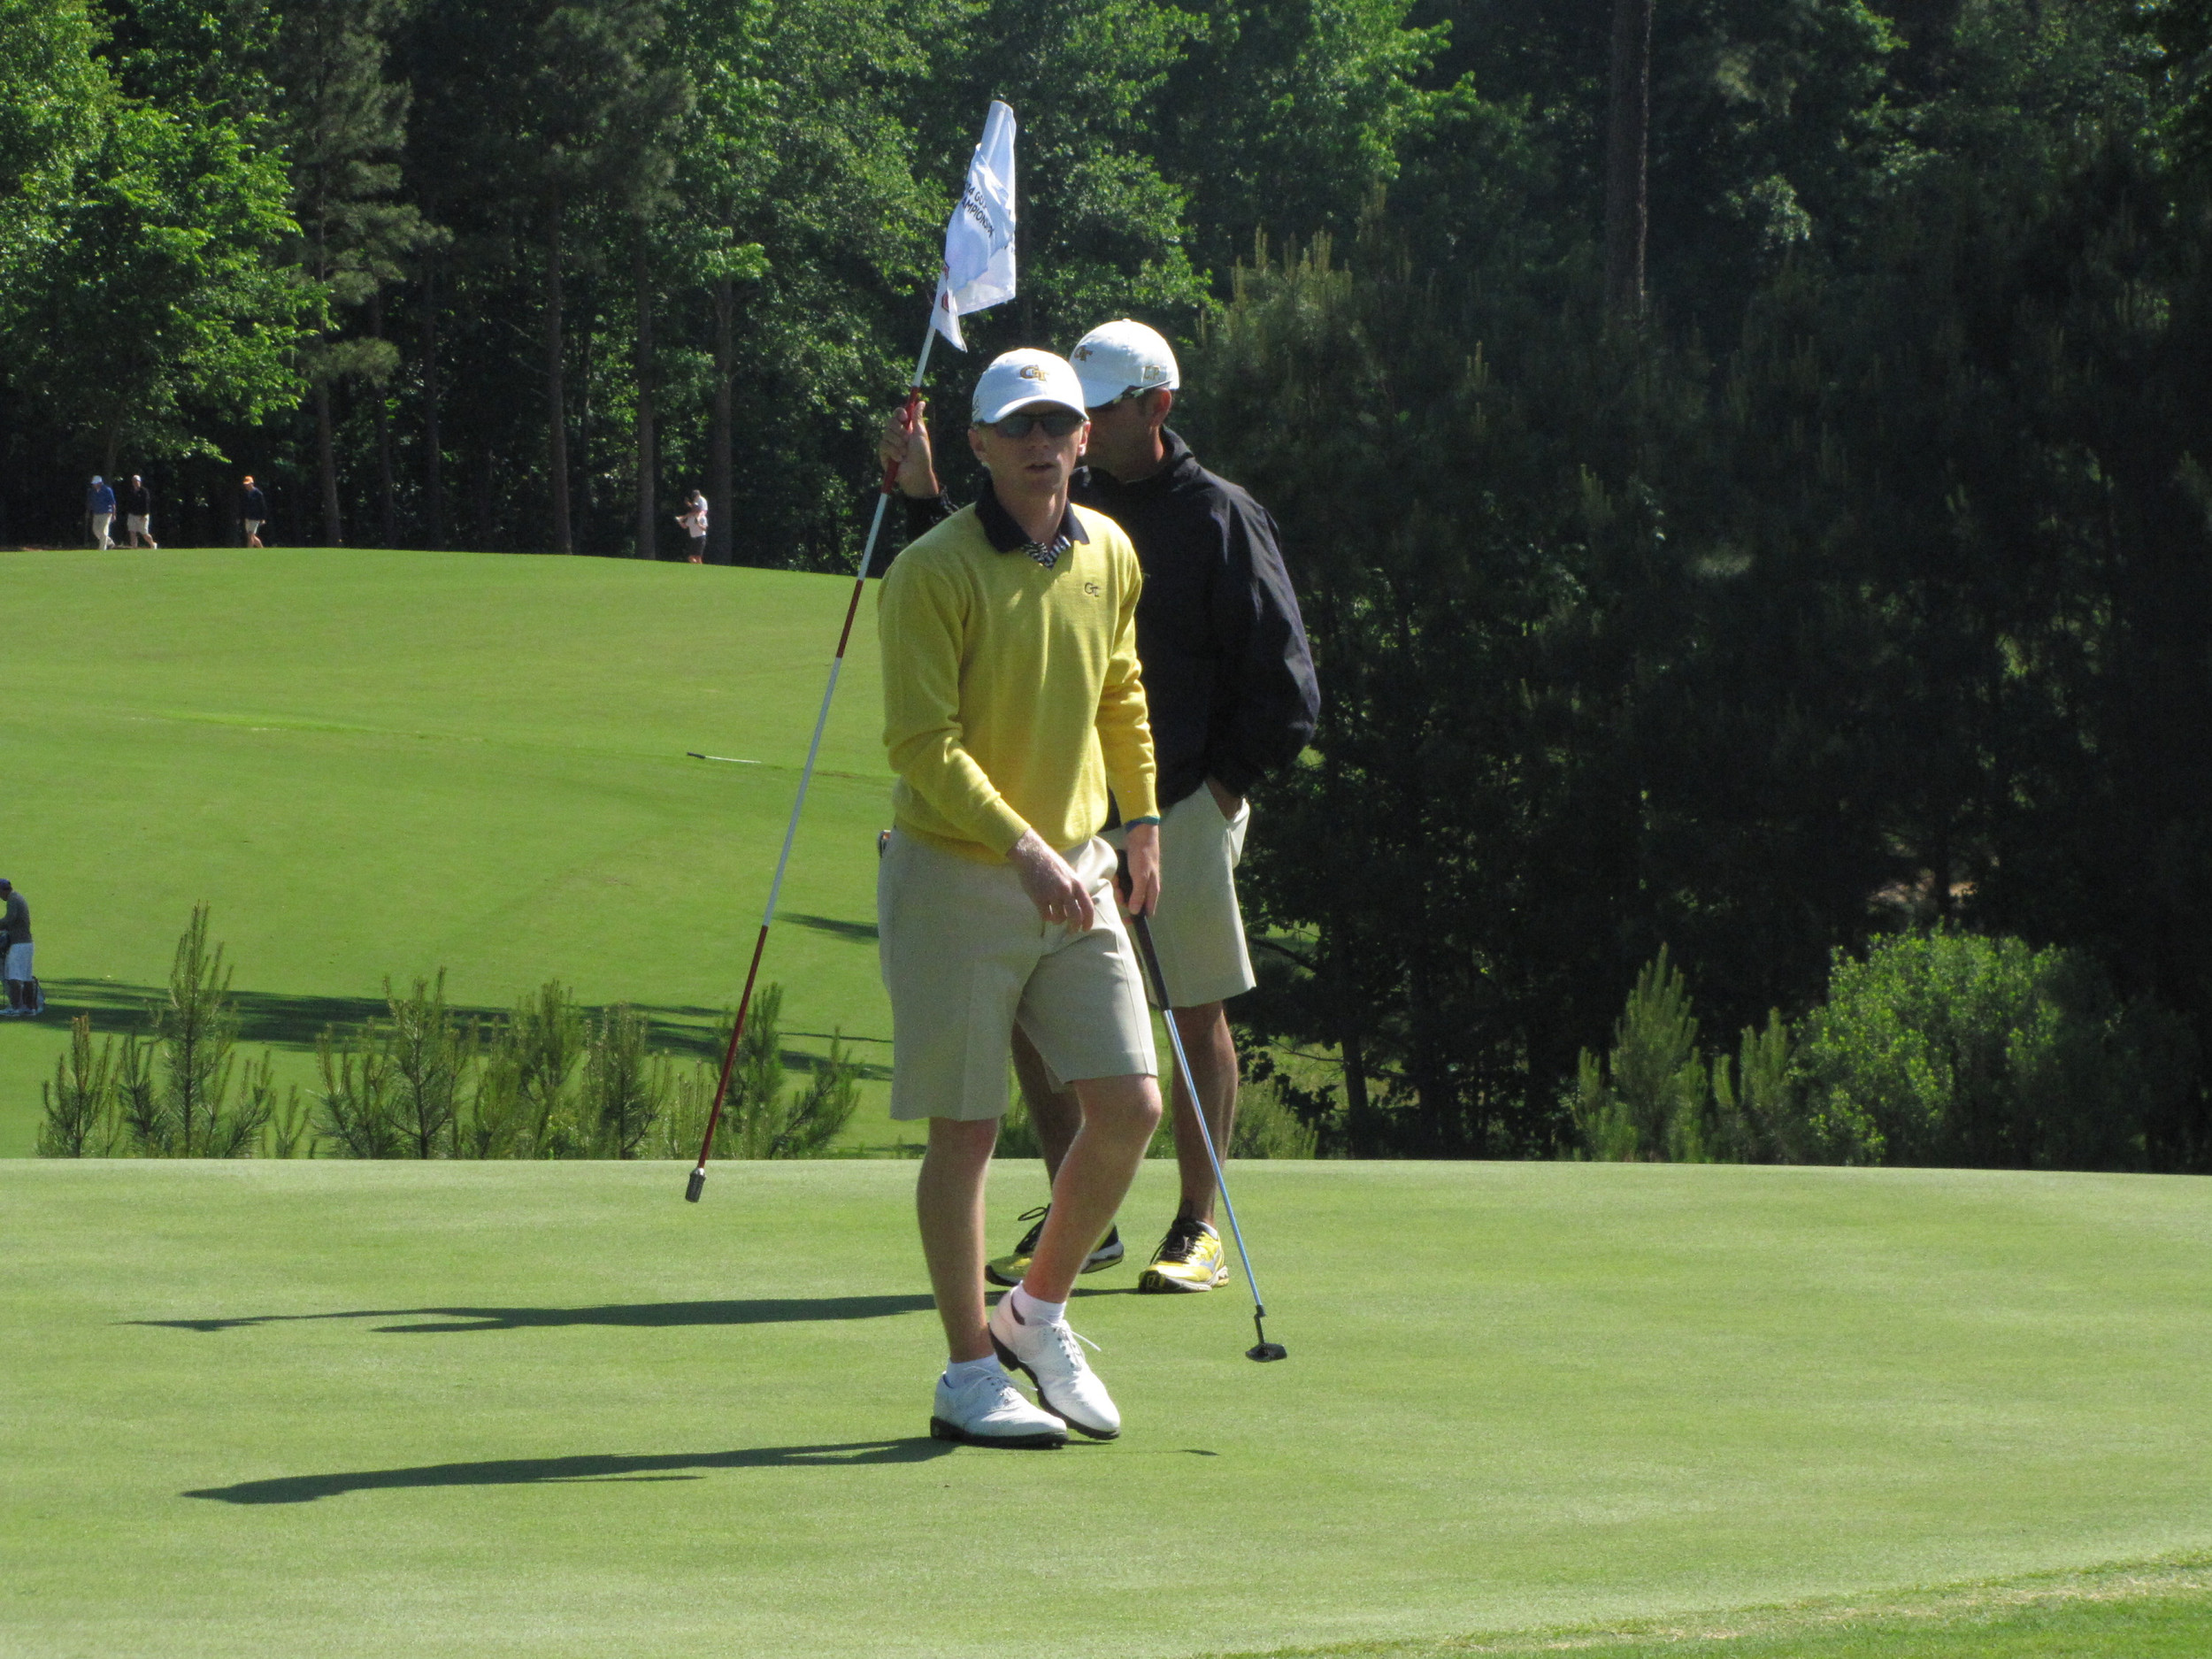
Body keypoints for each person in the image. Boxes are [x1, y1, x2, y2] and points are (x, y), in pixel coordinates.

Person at [880, 319, 1319, 1297]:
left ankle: (1197, 1224)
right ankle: (1086, 1216)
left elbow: (1283, 685)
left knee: (1188, 1009)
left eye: (1086, 414)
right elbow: (982, 588)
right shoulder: (1078, 512)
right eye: (1036, 422)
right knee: (1048, 1027)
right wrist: (921, 497)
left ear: (1144, 411)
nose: (1060, 438)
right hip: (1063, 824)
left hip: (1182, 801)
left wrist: (1196, 802)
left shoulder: (1215, 515)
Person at [879, 348, 1164, 1448]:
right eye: (1019, 428)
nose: (1042, 444)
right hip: (958, 873)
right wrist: (1022, 848)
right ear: (983, 445)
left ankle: (1034, 1316)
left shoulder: (1111, 552)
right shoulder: (936, 569)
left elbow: (1121, 691)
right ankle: (965, 1374)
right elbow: (921, 744)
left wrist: (1138, 825)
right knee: (968, 1131)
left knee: (1130, 1106)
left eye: (1058, 424)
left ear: (1084, 436)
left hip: (1079, 868)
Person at [1, 879, 40, 1018]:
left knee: (13, 977)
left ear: (4, 890)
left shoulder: (12, 899)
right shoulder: (18, 897)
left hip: (19, 944)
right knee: (26, 977)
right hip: (27, 944)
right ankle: (30, 1007)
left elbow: (10, 919)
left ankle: (16, 1007)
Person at [124, 475, 157, 548]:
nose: (135, 483)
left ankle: (152, 544)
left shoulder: (144, 491)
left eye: (136, 481)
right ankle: (134, 547)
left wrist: (144, 515)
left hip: (142, 515)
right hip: (132, 515)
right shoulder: (131, 491)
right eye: (133, 481)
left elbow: (147, 504)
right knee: (132, 532)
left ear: (140, 482)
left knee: (144, 534)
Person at [675, 489, 708, 563]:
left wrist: (698, 523)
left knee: (698, 557)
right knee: (691, 557)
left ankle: (700, 570)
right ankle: (696, 569)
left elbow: (700, 510)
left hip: (700, 537)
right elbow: (685, 526)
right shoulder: (691, 517)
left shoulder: (701, 501)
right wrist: (680, 522)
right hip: (693, 538)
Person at [86, 476, 116, 549]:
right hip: (97, 513)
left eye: (95, 483)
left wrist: (114, 514)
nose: (93, 485)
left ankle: (102, 549)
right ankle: (110, 542)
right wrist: (88, 512)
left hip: (106, 513)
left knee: (104, 531)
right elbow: (90, 503)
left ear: (100, 483)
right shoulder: (92, 491)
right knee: (95, 530)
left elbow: (113, 503)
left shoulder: (107, 490)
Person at [241, 476, 267, 548]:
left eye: (248, 484)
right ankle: (262, 550)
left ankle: (249, 553)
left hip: (255, 517)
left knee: (250, 535)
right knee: (251, 536)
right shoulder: (245, 493)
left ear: (252, 483)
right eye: (245, 484)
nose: (246, 486)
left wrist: (263, 518)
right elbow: (244, 506)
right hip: (248, 517)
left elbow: (263, 507)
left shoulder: (258, 494)